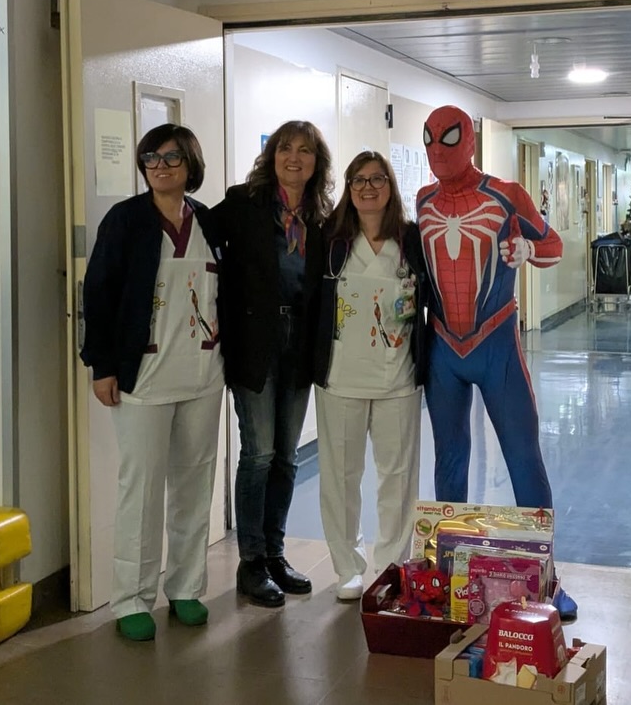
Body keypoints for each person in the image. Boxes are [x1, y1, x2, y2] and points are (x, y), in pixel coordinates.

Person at [416, 105, 577, 621]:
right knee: (449, 460)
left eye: (448, 139)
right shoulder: (421, 201)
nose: (438, 150)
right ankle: (449, 577)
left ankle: (548, 578)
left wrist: (526, 249)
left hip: (497, 341)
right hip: (443, 345)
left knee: (523, 456)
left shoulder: (506, 195)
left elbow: (553, 245)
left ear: (471, 141)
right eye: (429, 141)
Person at [81, 123, 224, 642]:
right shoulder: (125, 221)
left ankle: (185, 587)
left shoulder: (207, 222)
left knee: (193, 485)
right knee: (140, 490)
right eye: (151, 158)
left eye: (171, 157)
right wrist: (101, 365)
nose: (160, 166)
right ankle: (132, 597)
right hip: (143, 376)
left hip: (204, 375)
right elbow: (97, 294)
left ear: (191, 162)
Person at [214, 121, 333, 608]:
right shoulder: (243, 203)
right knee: (259, 454)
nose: (295, 158)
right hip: (255, 343)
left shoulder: (322, 216)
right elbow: (198, 239)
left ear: (316, 162)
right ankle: (252, 563)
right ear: (273, 156)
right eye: (287, 148)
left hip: (299, 345)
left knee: (287, 456)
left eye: (305, 151)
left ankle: (277, 555)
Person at [312, 152, 429, 601]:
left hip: (398, 376)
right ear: (348, 186)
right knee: (340, 476)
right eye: (358, 180)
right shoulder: (332, 240)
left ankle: (393, 565)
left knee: (397, 476)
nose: (367, 187)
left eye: (377, 179)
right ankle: (347, 568)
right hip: (341, 377)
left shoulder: (411, 239)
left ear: (390, 185)